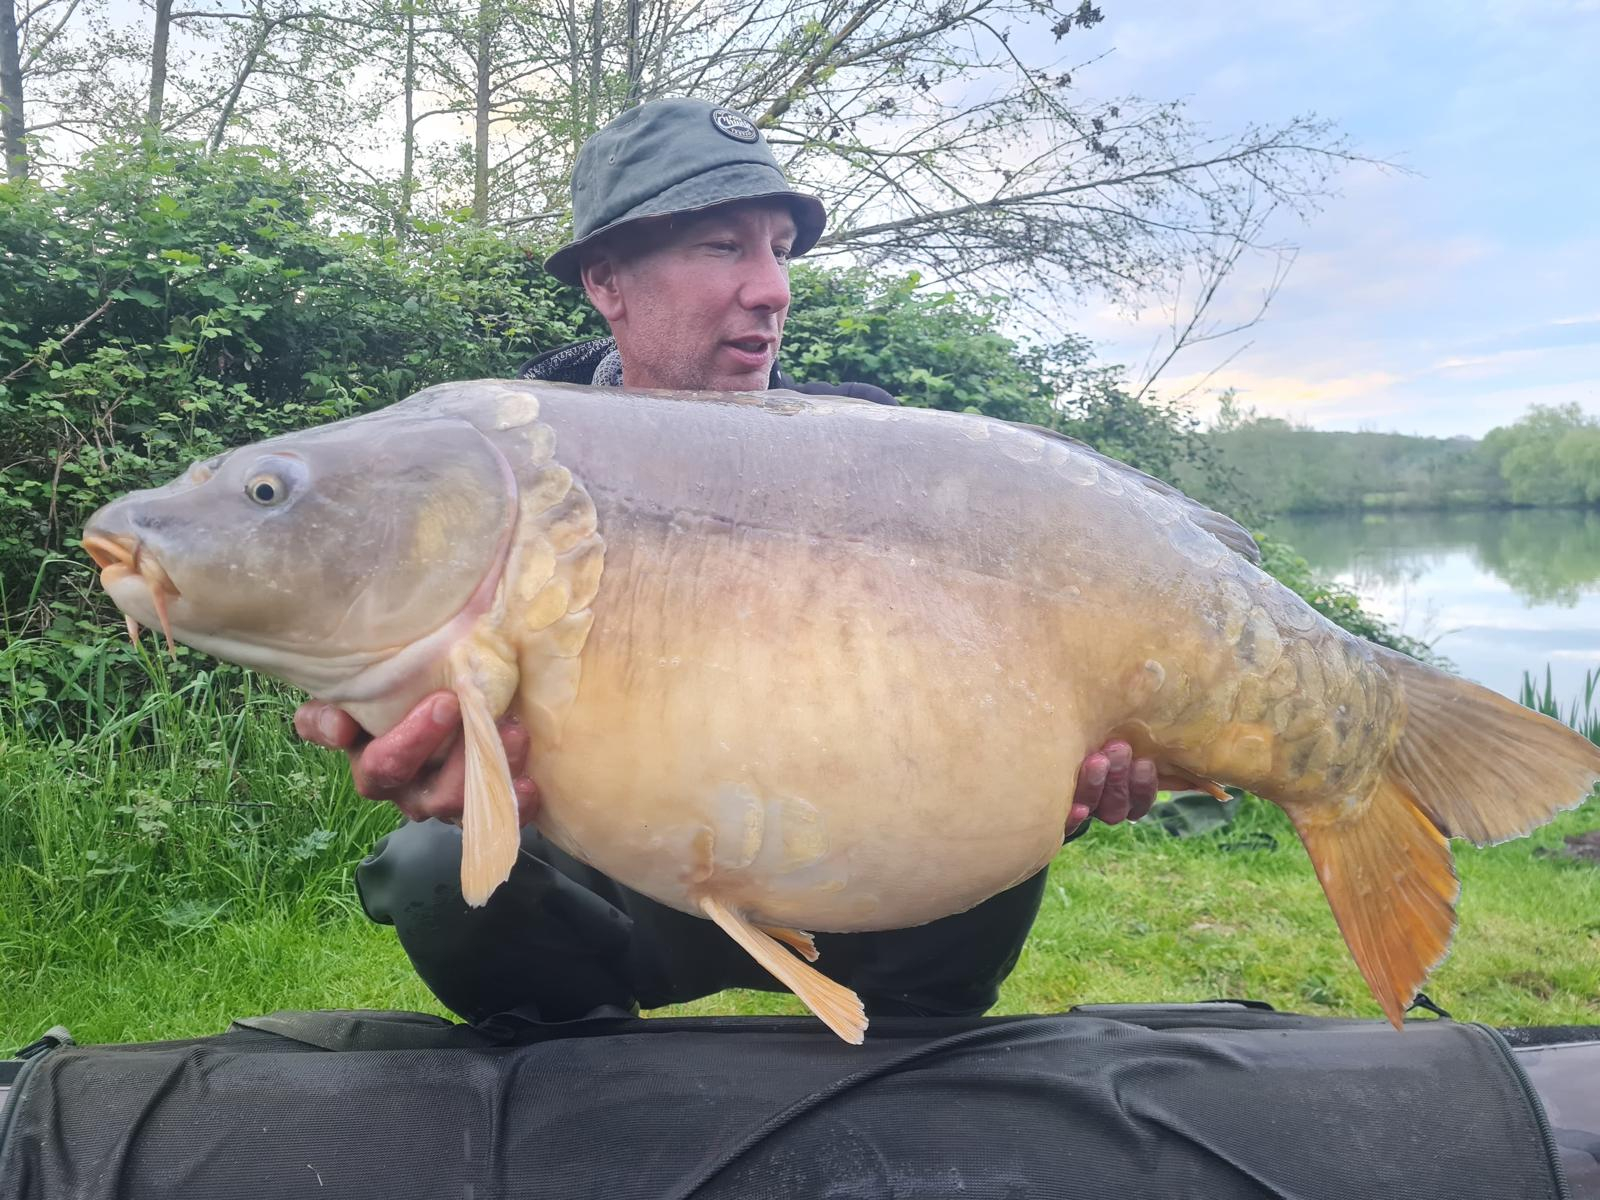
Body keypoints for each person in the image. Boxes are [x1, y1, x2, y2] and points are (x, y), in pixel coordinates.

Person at [294, 98, 1164, 1032]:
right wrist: (390, 713)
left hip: (869, 874)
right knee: (430, 863)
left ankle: (909, 1050)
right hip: (621, 872)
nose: (772, 289)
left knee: (986, 813)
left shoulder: (881, 451)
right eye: (722, 248)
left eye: (780, 251)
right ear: (606, 281)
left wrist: (1066, 766)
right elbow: (380, 656)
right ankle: (573, 1068)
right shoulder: (508, 473)